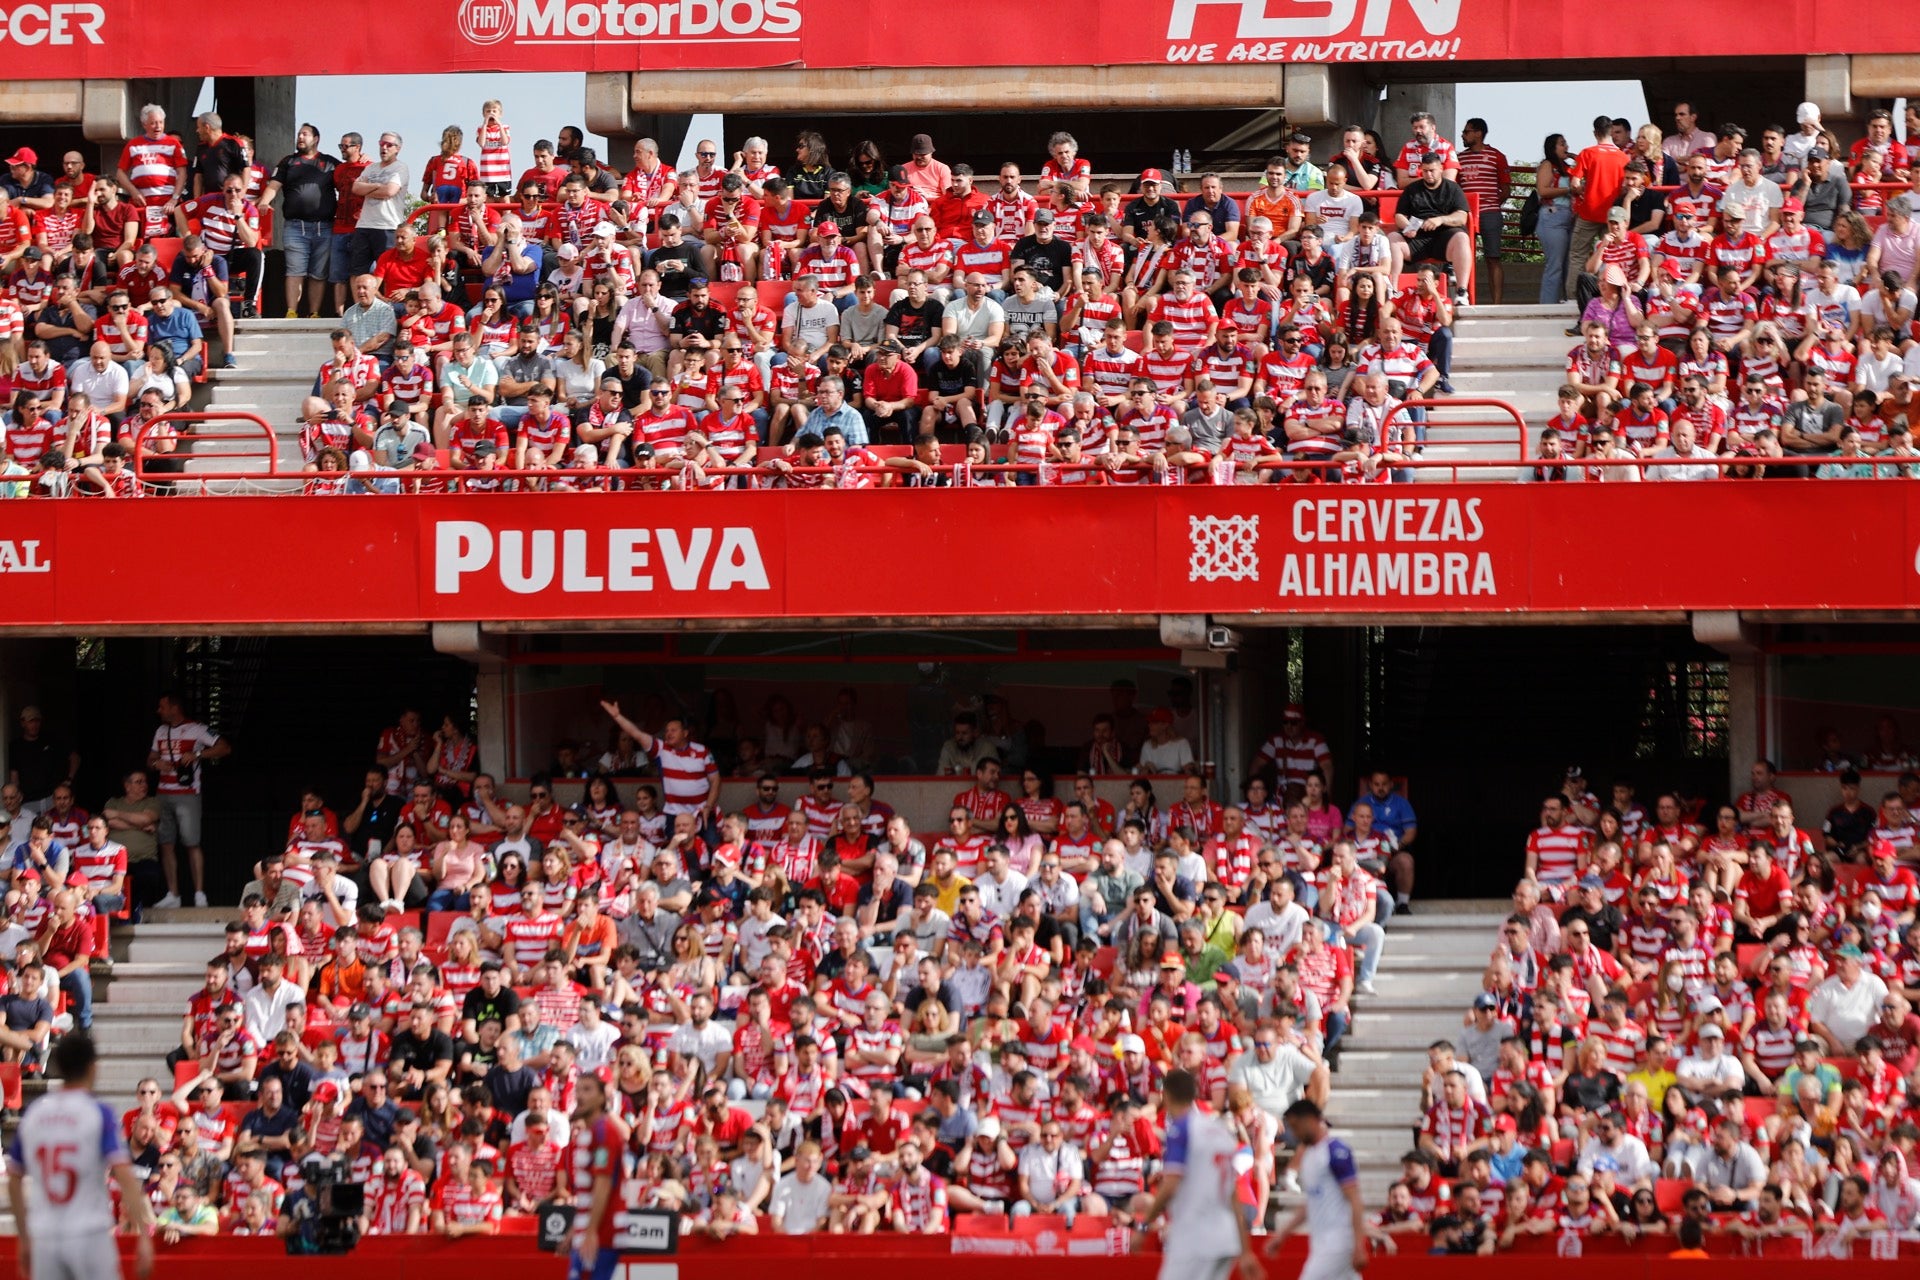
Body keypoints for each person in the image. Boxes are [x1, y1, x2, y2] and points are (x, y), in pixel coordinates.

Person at [5, 1033, 155, 1280]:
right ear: (93, 1067)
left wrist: (23, 1237)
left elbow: (13, 1178)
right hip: (89, 1234)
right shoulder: (98, 1113)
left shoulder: (33, 1114)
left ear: (58, 1067)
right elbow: (124, 1175)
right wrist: (144, 1234)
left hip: (46, 1236)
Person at [1131, 1068, 1261, 1280]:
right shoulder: (1220, 1131)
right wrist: (1245, 1251)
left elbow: (1171, 1183)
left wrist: (1144, 1225)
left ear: (1166, 1095)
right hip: (1225, 1239)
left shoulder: (1181, 1129)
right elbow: (1232, 1194)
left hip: (1195, 1235)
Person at [1267, 1097, 1371, 1278]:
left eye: (1295, 1126)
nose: (1294, 1133)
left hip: (1338, 1242)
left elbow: (1354, 1199)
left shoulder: (1336, 1151)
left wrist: (1358, 1244)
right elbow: (1311, 1203)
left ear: (1310, 1120)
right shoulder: (1309, 1156)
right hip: (1322, 1242)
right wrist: (1282, 1235)